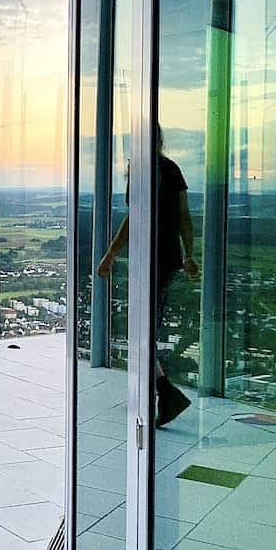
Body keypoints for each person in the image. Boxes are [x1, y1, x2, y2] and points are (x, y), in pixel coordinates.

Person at [97, 126, 199, 427]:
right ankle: (159, 392)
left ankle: (166, 393)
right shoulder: (171, 169)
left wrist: (111, 254)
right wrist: (188, 255)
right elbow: (184, 216)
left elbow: (134, 219)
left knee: (142, 331)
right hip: (167, 258)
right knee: (145, 329)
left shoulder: (141, 173)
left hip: (146, 258)